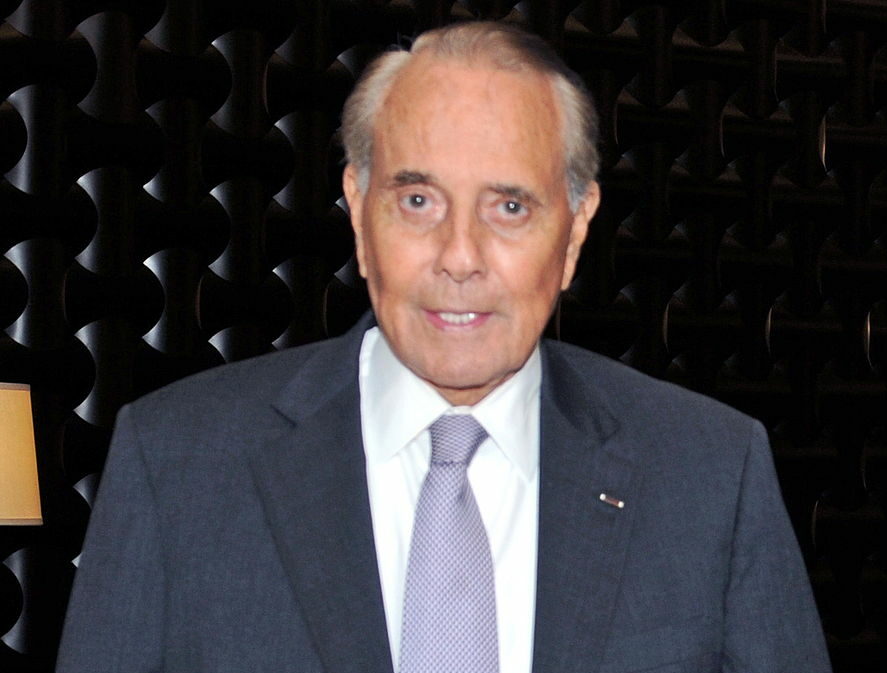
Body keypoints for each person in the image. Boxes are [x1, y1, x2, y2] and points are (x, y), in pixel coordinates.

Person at [56, 21, 831, 673]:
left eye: (509, 206)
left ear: (575, 231)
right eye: (419, 200)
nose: (460, 256)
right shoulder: (176, 462)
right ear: (360, 213)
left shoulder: (710, 473)